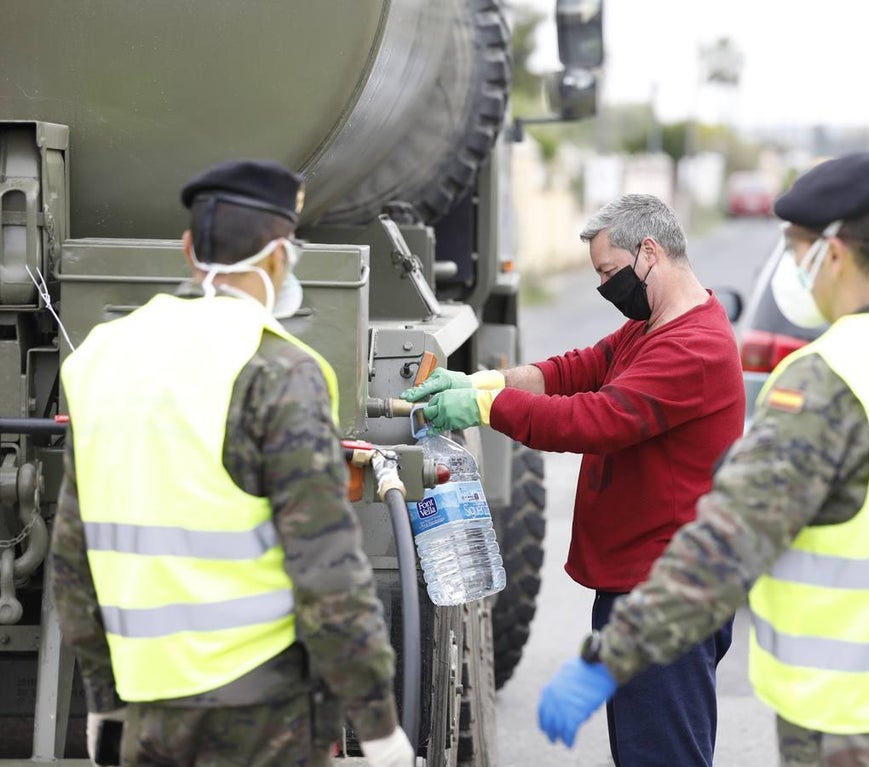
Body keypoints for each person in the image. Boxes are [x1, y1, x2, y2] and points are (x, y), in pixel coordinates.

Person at [535, 153, 869, 767]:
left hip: (846, 708)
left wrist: (612, 656)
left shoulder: (829, 380)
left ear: (832, 253)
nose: (791, 267)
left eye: (795, 247)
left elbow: (725, 543)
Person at [50, 159, 414, 767]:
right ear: (280, 257)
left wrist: (106, 704)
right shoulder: (278, 373)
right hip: (262, 717)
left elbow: (72, 559)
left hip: (150, 710)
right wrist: (377, 723)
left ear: (190, 250)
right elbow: (327, 569)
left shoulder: (101, 358)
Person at [400, 193, 745, 767]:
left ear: (650, 253)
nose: (605, 288)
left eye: (609, 272)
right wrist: (485, 382)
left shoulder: (695, 347)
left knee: (661, 756)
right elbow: (576, 370)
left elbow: (597, 419)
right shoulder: (651, 325)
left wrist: (485, 410)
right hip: (642, 583)